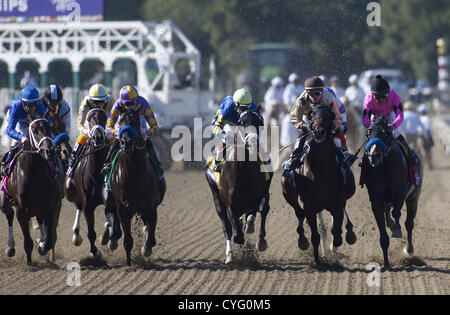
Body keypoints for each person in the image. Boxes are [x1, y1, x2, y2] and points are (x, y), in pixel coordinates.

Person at [103, 85, 165, 198]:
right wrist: (118, 133)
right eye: (128, 104)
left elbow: (155, 126)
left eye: (133, 103)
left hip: (139, 132)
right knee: (113, 147)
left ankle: (158, 171)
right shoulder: (117, 105)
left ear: (137, 100)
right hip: (122, 133)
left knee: (150, 148)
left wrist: (146, 133)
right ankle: (107, 170)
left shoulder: (143, 103)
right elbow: (108, 127)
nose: (130, 106)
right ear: (122, 102)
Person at [283, 76, 350, 172]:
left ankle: (343, 154)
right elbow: (294, 118)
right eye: (310, 94)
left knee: (336, 136)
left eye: (317, 93)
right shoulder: (301, 101)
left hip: (327, 120)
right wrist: (306, 126)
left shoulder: (330, 98)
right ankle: (294, 157)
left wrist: (332, 127)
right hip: (308, 120)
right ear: (306, 92)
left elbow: (338, 117)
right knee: (301, 138)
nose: (314, 96)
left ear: (322, 92)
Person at [362, 74, 419, 183]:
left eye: (384, 97)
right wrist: (373, 127)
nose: (380, 100)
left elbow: (400, 116)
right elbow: (365, 120)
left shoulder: (394, 96)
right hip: (375, 117)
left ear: (388, 94)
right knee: (372, 138)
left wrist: (392, 126)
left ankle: (412, 166)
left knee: (396, 135)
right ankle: (364, 165)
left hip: (390, 115)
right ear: (372, 95)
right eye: (377, 97)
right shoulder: (368, 99)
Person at [66, 84, 115, 178]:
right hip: (90, 127)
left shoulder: (111, 102)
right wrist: (88, 132)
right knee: (81, 138)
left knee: (115, 141)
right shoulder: (85, 102)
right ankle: (72, 164)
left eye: (101, 102)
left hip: (106, 126)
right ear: (91, 100)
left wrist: (108, 131)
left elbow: (115, 121)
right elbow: (79, 124)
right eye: (95, 102)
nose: (98, 105)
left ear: (105, 99)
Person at [210, 88, 264, 172]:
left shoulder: (253, 107)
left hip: (244, 123)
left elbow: (261, 123)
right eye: (242, 108)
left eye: (246, 108)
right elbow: (214, 126)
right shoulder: (226, 110)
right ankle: (217, 161)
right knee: (229, 135)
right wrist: (224, 136)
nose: (244, 111)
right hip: (229, 124)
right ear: (235, 105)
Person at [1, 86, 47, 175]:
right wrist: (21, 138)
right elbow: (10, 130)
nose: (32, 108)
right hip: (18, 122)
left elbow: (47, 123)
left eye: (34, 104)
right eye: (29, 105)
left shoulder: (40, 107)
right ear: (23, 103)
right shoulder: (16, 106)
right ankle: (6, 165)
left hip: (32, 123)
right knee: (16, 142)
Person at [417, 104, 434, 169]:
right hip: (427, 135)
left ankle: (424, 165)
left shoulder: (421, 118)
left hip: (421, 136)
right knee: (427, 150)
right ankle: (428, 164)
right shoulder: (427, 118)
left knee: (422, 150)